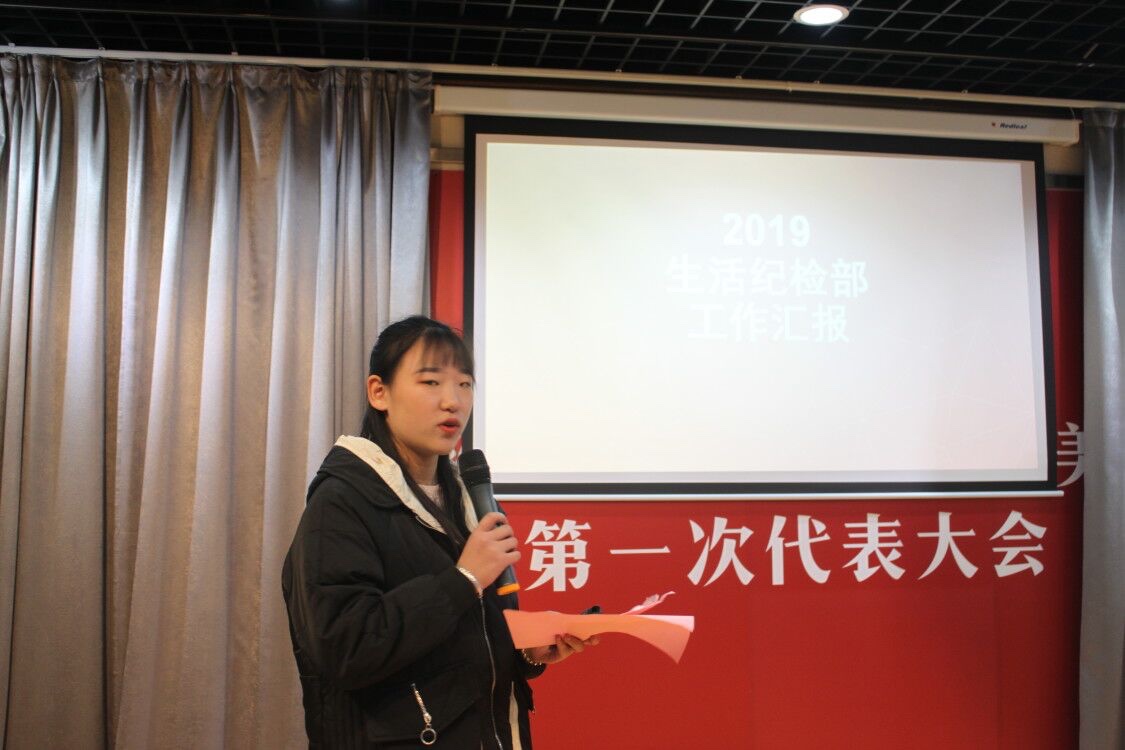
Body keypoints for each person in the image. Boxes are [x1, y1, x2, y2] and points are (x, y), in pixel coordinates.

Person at [282, 315, 597, 749]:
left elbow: (459, 641)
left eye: (464, 384)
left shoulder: (468, 501)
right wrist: (463, 580)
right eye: (431, 382)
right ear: (379, 392)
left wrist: (525, 651)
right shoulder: (341, 503)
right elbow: (346, 650)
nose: (453, 401)